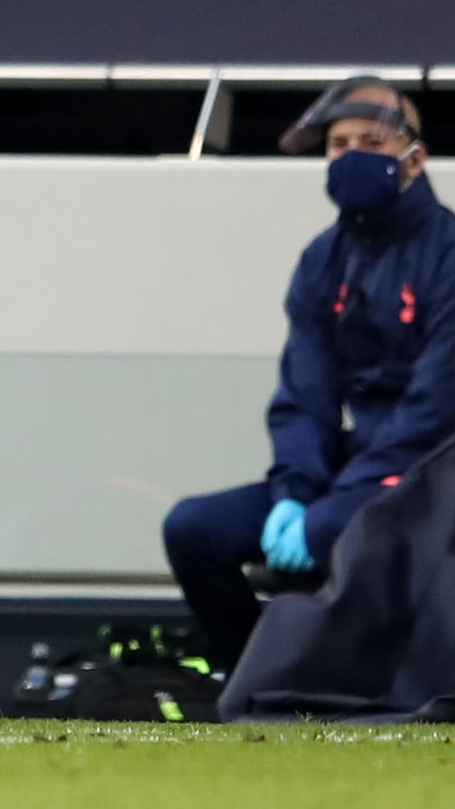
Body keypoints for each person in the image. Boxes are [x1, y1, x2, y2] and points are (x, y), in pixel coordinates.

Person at [163, 76, 455, 668]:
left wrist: (342, 496)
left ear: (414, 160)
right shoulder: (323, 258)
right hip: (358, 464)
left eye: (368, 143)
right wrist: (294, 492)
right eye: (336, 144)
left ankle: (337, 685)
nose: (348, 157)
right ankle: (251, 677)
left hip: (435, 467)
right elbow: (305, 391)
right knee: (193, 529)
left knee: (329, 529)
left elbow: (437, 403)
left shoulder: (448, 253)